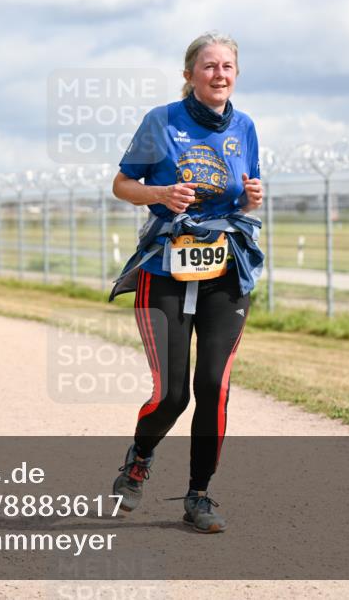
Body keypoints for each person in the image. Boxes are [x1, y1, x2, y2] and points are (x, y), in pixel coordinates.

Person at [108, 32, 264, 534]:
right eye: (209, 66)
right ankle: (141, 455)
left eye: (227, 67)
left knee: (213, 386)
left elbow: (244, 190)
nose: (219, 74)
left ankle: (200, 495)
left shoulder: (246, 127)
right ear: (189, 74)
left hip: (225, 269)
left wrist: (253, 196)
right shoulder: (161, 121)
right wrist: (160, 193)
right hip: (166, 270)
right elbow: (122, 185)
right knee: (173, 395)